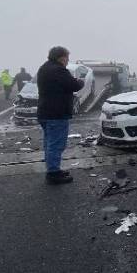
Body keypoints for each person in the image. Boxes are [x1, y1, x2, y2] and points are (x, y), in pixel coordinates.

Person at [37, 46, 84, 185]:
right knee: (56, 144)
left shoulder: (44, 68)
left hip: (45, 112)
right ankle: (53, 174)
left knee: (49, 143)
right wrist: (80, 81)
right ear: (61, 57)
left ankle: (53, 169)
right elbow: (74, 85)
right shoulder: (58, 70)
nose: (68, 60)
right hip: (56, 114)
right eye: (67, 57)